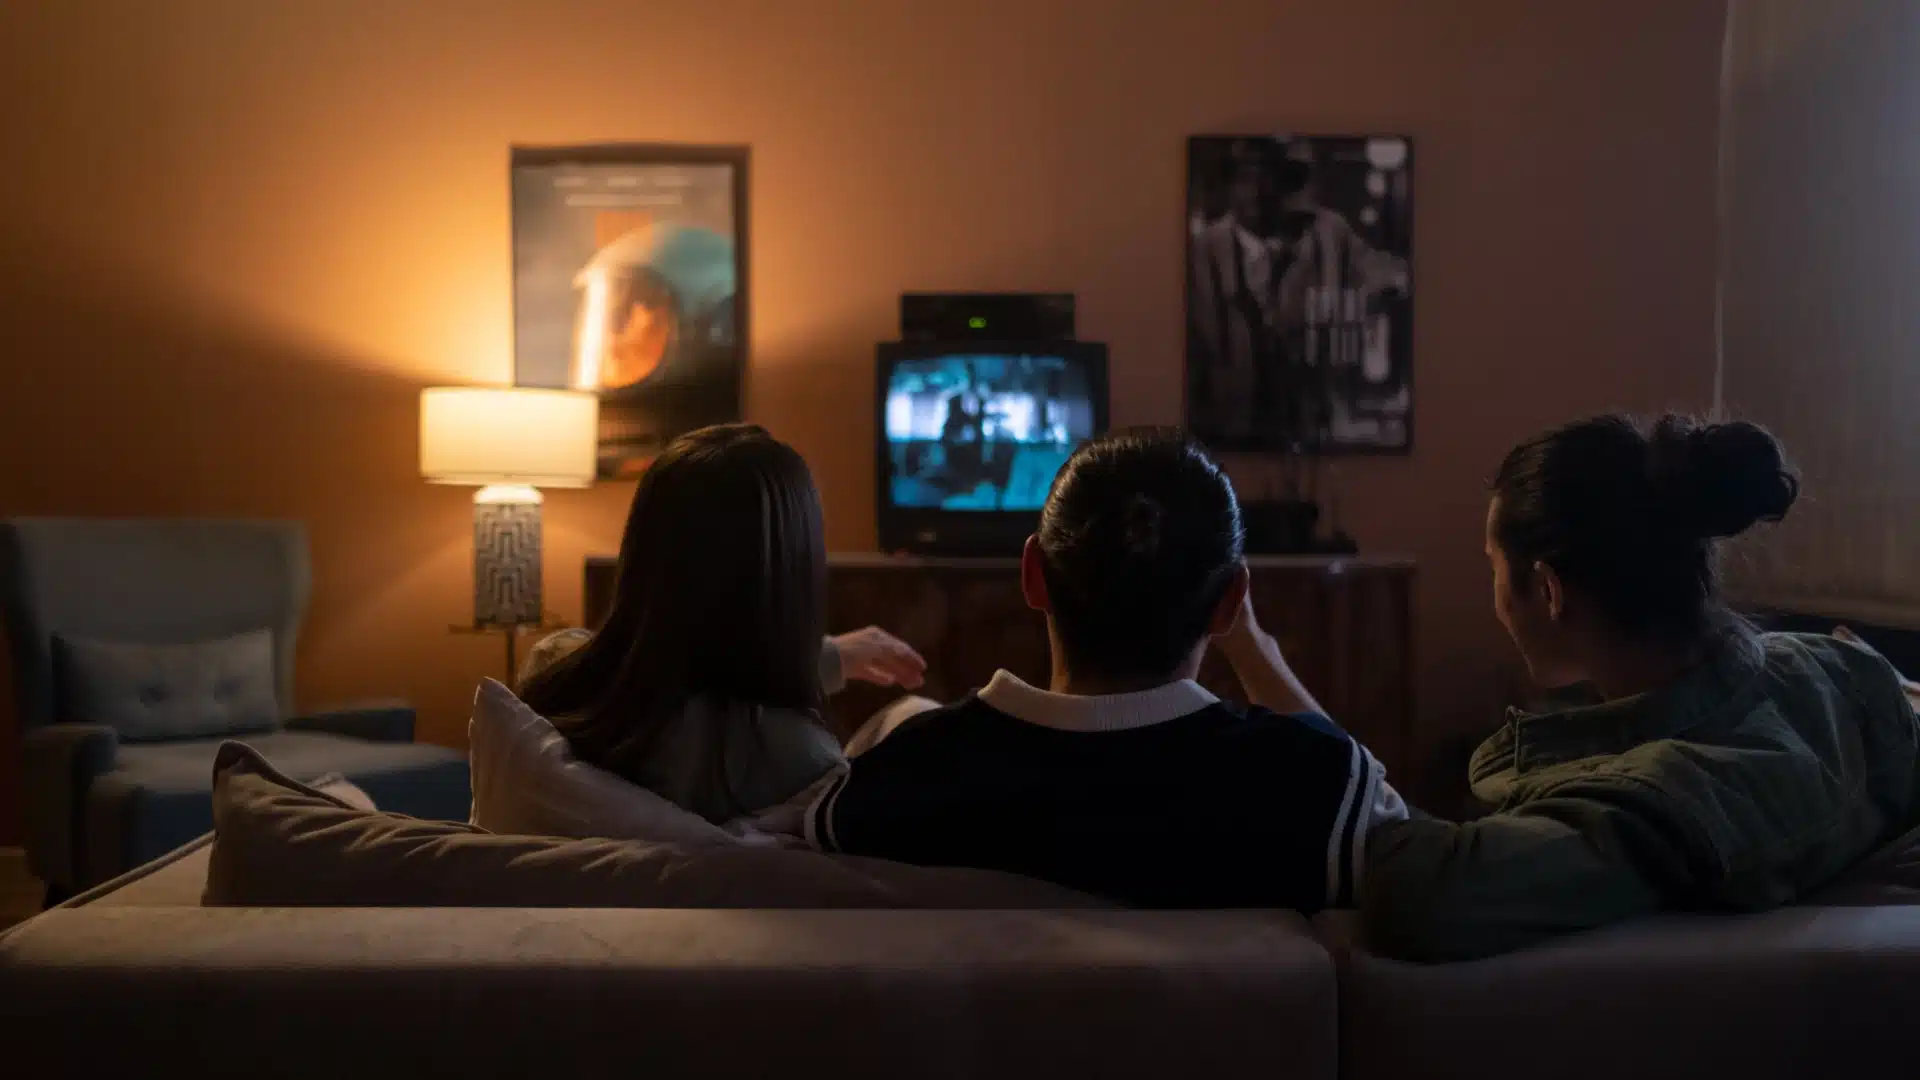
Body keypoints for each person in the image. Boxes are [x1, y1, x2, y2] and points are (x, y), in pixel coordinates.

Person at [1363, 414, 1920, 962]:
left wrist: (1298, 710)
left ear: (1550, 591)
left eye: (1494, 569)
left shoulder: (1665, 796)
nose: (1495, 599)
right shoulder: (1846, 668)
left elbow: (1422, 893)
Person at [803, 428, 1406, 909]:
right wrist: (1252, 644)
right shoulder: (1312, 787)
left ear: (1032, 575)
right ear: (1229, 600)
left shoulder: (903, 772)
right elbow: (1397, 826)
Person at [517, 423, 926, 824]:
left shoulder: (552, 673)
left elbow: (672, 664)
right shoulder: (797, 759)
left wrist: (827, 658)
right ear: (792, 570)